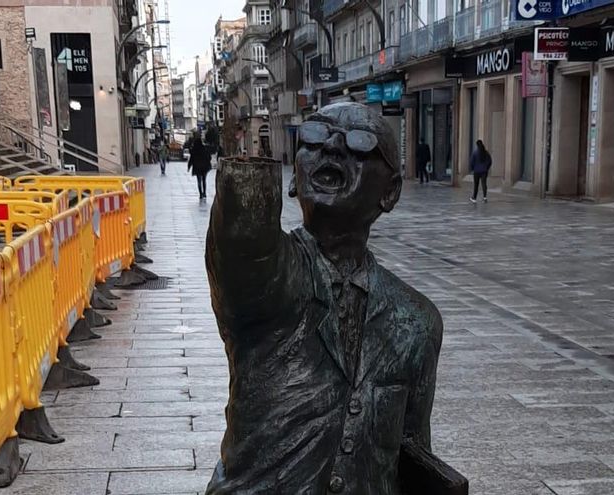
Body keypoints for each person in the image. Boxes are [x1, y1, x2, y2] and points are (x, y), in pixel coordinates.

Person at [205, 103, 444, 493]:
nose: (332, 148)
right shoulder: (265, 282)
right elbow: (241, 233)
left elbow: (413, 457)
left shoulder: (416, 320)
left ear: (391, 192)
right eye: (314, 137)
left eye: (360, 145)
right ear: (295, 178)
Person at [187, 132, 211, 199]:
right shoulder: (204, 149)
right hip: (205, 167)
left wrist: (189, 167)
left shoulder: (194, 150)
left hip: (197, 167)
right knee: (204, 180)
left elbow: (191, 159)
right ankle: (205, 193)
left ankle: (200, 194)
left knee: (199, 180)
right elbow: (209, 157)